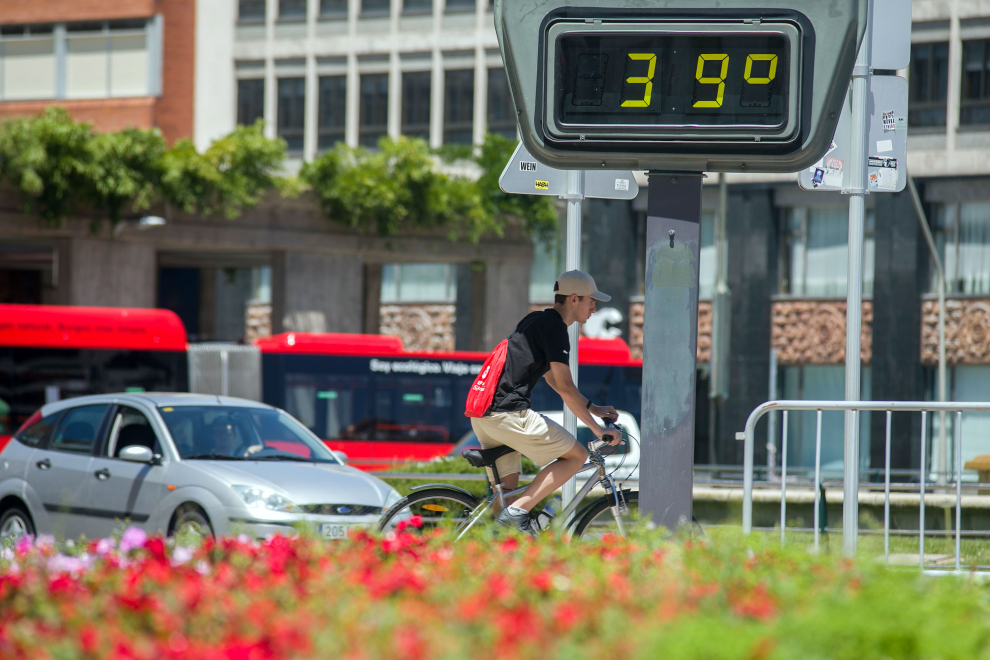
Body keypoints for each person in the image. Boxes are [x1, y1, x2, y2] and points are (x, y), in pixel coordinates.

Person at [470, 270, 623, 535]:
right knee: (577, 456)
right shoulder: (555, 328)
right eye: (590, 301)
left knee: (507, 499)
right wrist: (599, 431)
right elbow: (564, 387)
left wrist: (594, 409)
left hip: (484, 415)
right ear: (573, 300)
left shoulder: (536, 320)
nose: (594, 309)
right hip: (509, 414)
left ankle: (500, 552)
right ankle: (517, 514)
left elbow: (553, 380)